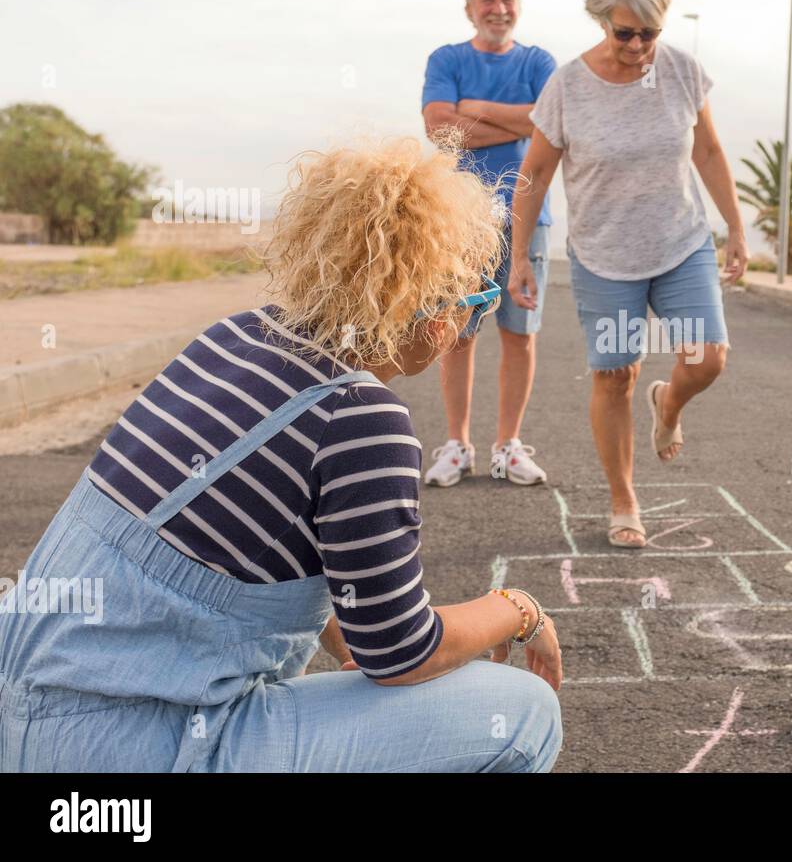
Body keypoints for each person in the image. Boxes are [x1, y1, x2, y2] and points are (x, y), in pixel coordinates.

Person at [0, 139, 564, 772]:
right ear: (433, 308)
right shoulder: (361, 417)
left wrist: (346, 631)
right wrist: (516, 609)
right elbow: (404, 655)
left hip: (19, 725)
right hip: (120, 764)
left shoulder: (230, 339)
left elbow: (255, 541)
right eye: (473, 308)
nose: (464, 332)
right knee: (520, 714)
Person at [508, 0, 748, 548]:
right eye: (625, 32)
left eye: (650, 32)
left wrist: (736, 227)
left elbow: (710, 154)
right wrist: (518, 256)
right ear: (601, 20)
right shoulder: (567, 85)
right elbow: (534, 175)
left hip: (680, 242)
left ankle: (668, 403)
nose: (639, 45)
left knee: (708, 358)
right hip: (603, 255)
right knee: (615, 374)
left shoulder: (683, 72)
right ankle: (624, 499)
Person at [420, 0, 556, 488]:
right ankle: (457, 444)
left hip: (528, 214)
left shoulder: (539, 61)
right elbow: (439, 129)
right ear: (470, 5)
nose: (498, 9)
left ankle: (508, 445)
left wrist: (473, 109)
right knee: (457, 332)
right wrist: (516, 119)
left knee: (520, 334)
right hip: (460, 216)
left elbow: (549, 126)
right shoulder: (447, 58)